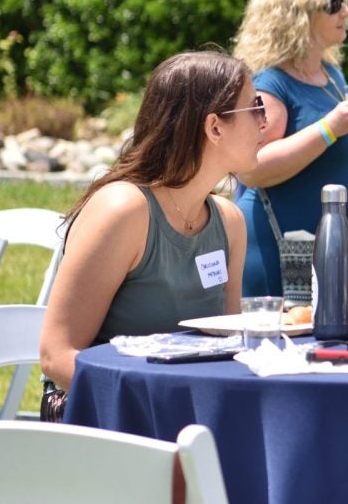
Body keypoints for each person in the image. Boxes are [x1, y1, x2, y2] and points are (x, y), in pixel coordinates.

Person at [40, 52, 254, 390]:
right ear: (214, 127)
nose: (265, 121)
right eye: (254, 108)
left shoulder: (229, 222)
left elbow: (228, 346)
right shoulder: (124, 212)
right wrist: (155, 407)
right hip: (105, 417)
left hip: (186, 414)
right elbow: (57, 356)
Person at [231, 0, 348, 298]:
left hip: (333, 249)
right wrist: (331, 127)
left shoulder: (330, 73)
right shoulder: (270, 84)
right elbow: (251, 168)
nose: (347, 10)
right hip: (280, 253)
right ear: (298, 16)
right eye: (334, 4)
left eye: (342, 0)